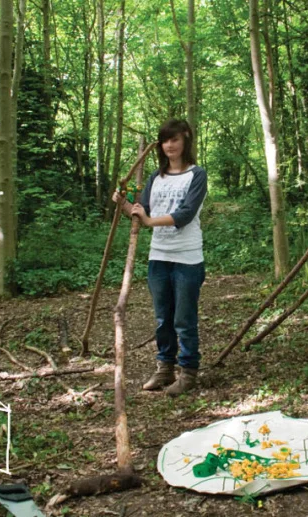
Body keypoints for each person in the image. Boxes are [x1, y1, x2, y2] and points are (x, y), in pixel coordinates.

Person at [112, 119, 207, 396]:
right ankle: (165, 368)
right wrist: (123, 203)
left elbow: (185, 214)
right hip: (159, 257)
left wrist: (150, 221)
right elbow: (142, 212)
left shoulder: (197, 175)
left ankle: (188, 372)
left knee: (184, 318)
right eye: (165, 140)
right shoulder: (156, 177)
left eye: (174, 139)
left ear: (186, 139)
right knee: (162, 318)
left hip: (187, 257)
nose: (169, 145)